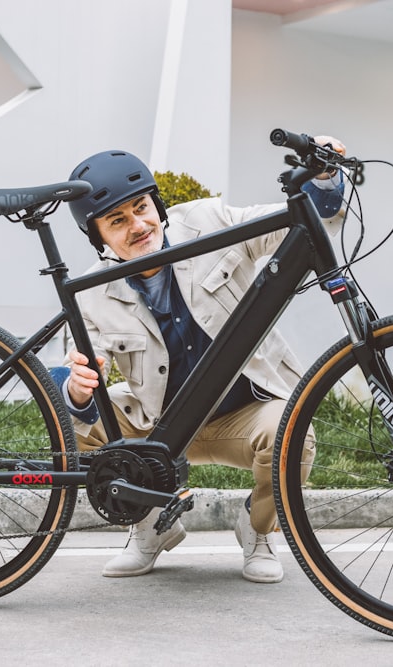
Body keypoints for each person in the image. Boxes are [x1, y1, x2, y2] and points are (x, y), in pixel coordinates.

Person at [51, 137, 346, 584]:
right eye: (117, 220)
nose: (137, 225)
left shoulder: (207, 221)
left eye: (142, 208)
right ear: (99, 238)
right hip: (159, 426)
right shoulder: (92, 290)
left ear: (158, 206)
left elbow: (291, 223)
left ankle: (257, 527)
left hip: (243, 414)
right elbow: (71, 384)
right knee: (78, 429)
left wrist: (323, 176)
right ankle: (149, 527)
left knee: (292, 433)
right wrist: (78, 388)